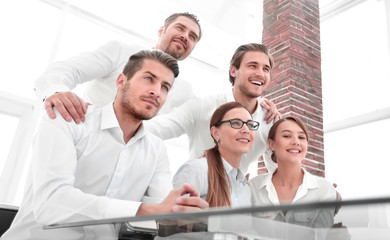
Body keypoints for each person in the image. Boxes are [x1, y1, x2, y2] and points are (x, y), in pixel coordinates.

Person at [1, 50, 208, 240]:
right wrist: (146, 211)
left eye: (165, 87)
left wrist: (183, 216)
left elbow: (160, 215)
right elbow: (51, 204)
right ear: (120, 81)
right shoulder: (68, 119)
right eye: (148, 79)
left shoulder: (156, 150)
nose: (156, 91)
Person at [34, 12, 202, 124]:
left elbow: (206, 115)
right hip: (81, 145)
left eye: (192, 36)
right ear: (161, 30)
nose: (185, 36)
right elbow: (67, 70)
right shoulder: (120, 52)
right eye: (180, 28)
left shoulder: (184, 90)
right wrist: (55, 92)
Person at [145, 43, 281, 174]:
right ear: (233, 71)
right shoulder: (201, 108)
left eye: (266, 69)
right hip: (194, 194)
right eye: (252, 66)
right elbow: (151, 130)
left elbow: (280, 174)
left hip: (236, 195)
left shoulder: (269, 121)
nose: (260, 74)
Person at [249, 116, 337, 228]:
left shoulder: (324, 189)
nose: (296, 142)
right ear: (272, 144)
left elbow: (320, 236)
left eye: (301, 137)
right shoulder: (253, 187)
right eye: (286, 136)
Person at [173, 102, 257, 208]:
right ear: (216, 133)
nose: (246, 130)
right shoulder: (196, 170)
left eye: (250, 125)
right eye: (236, 123)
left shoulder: (244, 187)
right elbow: (170, 220)